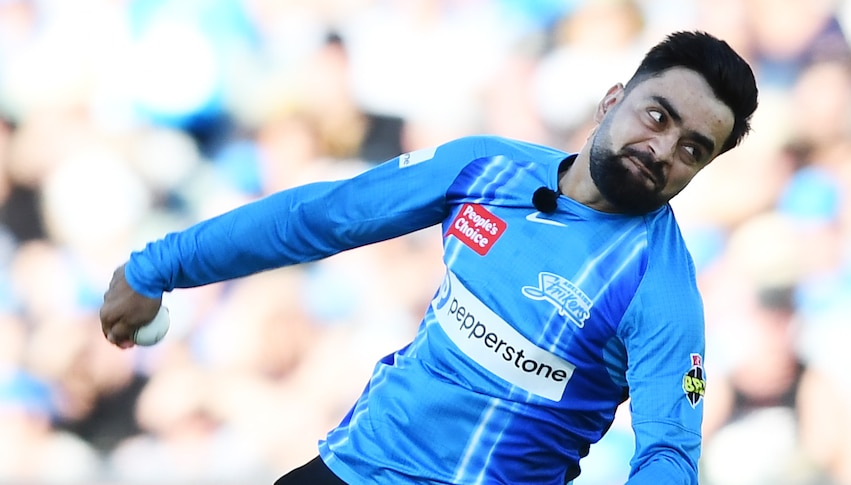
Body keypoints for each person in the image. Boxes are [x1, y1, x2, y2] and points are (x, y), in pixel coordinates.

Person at [100, 30, 758, 484]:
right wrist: (160, 264)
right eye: (658, 115)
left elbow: (669, 450)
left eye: (694, 148)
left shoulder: (662, 292)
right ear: (613, 99)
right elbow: (320, 217)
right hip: (346, 468)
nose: (665, 148)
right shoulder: (486, 169)